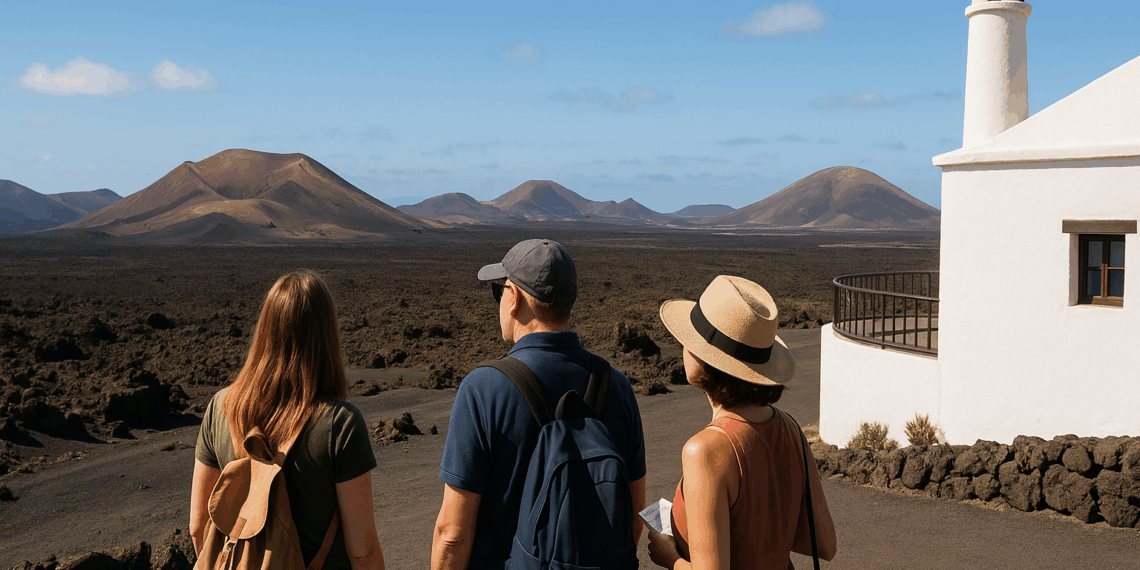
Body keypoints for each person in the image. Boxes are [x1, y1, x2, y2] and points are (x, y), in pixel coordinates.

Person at [431, 239, 647, 570]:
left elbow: (453, 535)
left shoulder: (483, 389)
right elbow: (633, 519)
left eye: (498, 291)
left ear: (514, 297)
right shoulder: (616, 385)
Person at [190, 270, 386, 570]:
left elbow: (199, 525)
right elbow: (362, 551)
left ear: (265, 330)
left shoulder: (221, 408)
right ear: (327, 335)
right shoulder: (340, 425)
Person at [647, 275, 837, 570]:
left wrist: (669, 558)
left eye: (689, 340)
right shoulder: (791, 431)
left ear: (705, 359)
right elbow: (824, 543)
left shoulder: (705, 450)